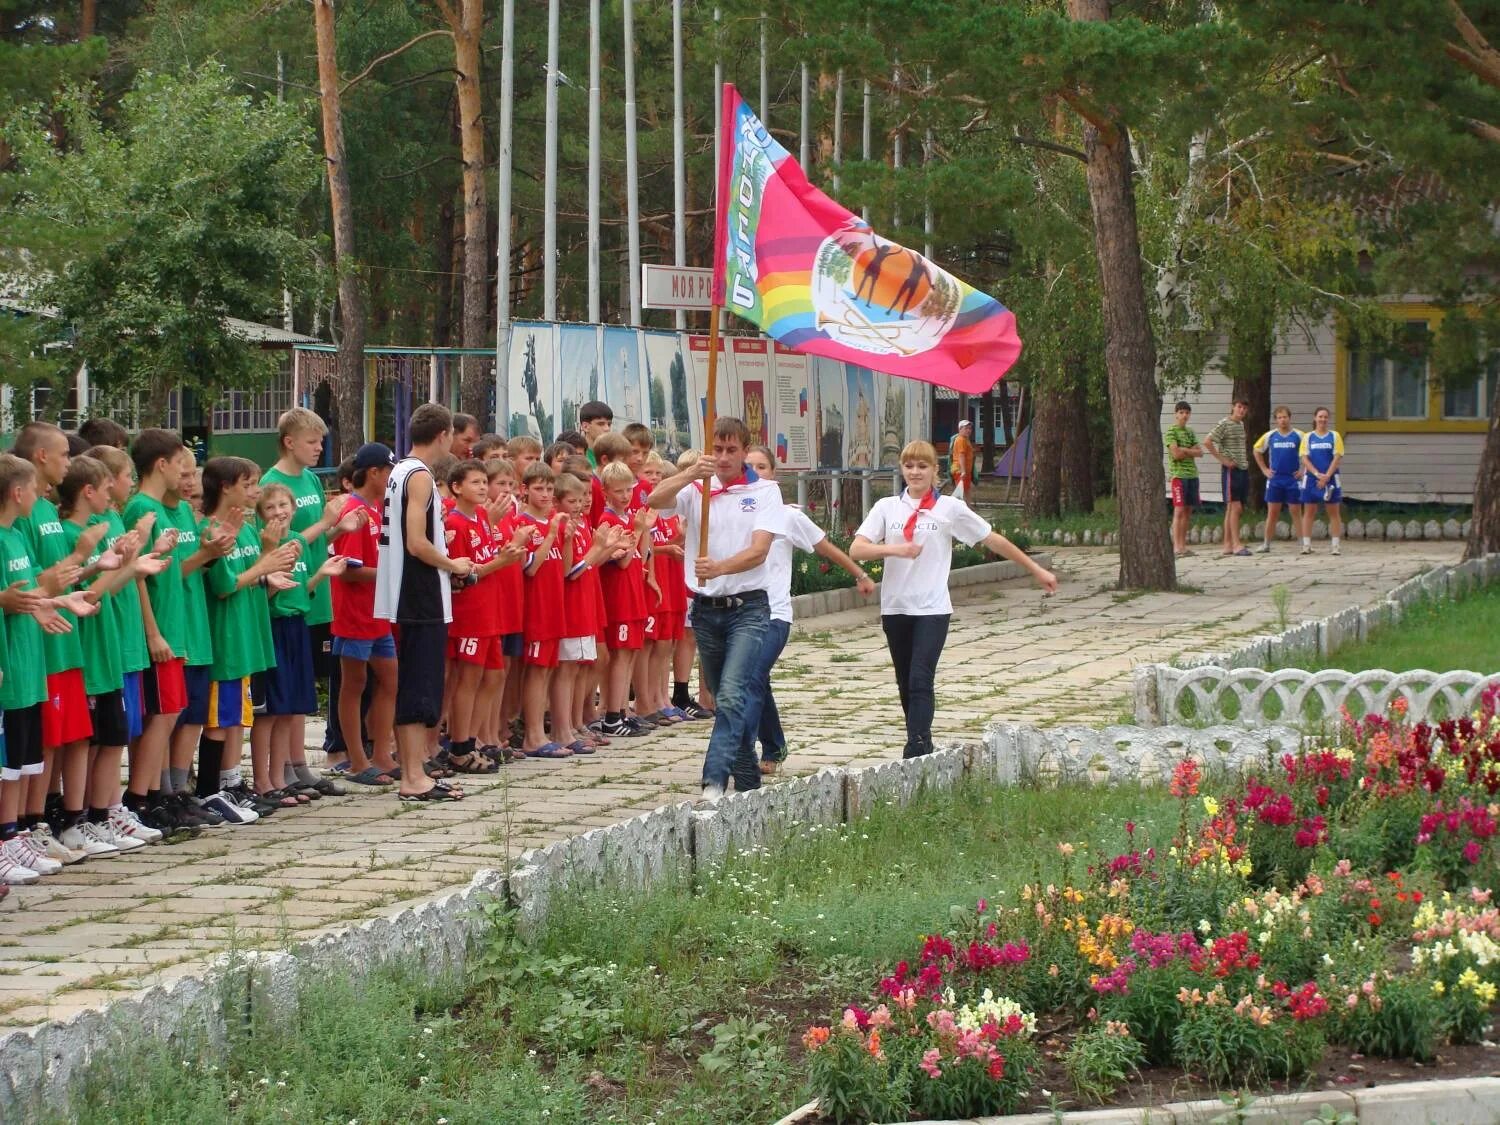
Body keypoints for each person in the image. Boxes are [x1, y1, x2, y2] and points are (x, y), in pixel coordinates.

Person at [852, 440, 1057, 759]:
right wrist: (894, 550)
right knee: (905, 682)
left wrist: (1034, 568)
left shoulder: (949, 508)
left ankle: (915, 750)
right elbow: (858, 549)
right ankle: (923, 740)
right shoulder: (886, 508)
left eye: (922, 466)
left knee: (921, 677)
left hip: (932, 608)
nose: (915, 472)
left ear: (935, 470)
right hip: (896, 607)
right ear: (902, 470)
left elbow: (992, 539)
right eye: (909, 466)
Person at [648, 417, 785, 801]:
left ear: (744, 450)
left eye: (731, 450)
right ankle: (750, 785)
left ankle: (713, 780)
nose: (723, 458)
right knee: (726, 698)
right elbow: (653, 501)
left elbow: (759, 551)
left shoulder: (765, 492)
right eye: (718, 449)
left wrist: (720, 567)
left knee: (729, 694)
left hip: (749, 608)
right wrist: (691, 471)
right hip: (706, 611)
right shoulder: (696, 488)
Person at [0, 454, 101, 883]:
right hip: (10, 666)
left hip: (29, 665)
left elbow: (26, 594)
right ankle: (5, 840)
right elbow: (8, 597)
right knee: (7, 763)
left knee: (24, 760)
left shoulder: (15, 539)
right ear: (18, 492)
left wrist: (54, 602)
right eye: (34, 488)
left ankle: (16, 833)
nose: (43, 493)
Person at [744, 445, 873, 775]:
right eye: (751, 466)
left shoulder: (788, 517)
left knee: (754, 676)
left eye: (763, 466)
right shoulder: (731, 510)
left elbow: (825, 548)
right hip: (739, 614)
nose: (756, 472)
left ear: (774, 474)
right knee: (755, 682)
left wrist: (859, 574)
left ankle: (741, 751)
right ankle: (774, 744)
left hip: (774, 614)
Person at [375, 403, 473, 800]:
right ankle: (412, 777)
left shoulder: (400, 470)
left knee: (417, 684)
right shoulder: (417, 476)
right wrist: (453, 563)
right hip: (417, 592)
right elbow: (416, 543)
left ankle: (414, 772)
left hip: (407, 590)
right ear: (444, 434)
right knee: (419, 686)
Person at [331, 444, 401, 785]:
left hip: (377, 613)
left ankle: (381, 752)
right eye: (389, 472)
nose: (391, 479)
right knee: (354, 684)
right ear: (373, 472)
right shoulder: (354, 510)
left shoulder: (374, 510)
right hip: (355, 613)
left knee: (390, 679)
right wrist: (390, 573)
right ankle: (356, 760)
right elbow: (346, 570)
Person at [1252, 406, 1304, 554]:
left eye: (1285, 417)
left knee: (1296, 511)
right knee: (1272, 512)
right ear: (1276, 420)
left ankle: (1303, 543)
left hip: (1293, 480)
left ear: (1289, 418)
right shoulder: (1270, 436)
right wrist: (1264, 469)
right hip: (1275, 480)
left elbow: (1309, 452)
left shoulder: (1299, 435)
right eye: (1279, 417)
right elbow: (1256, 450)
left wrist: (1303, 470)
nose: (1282, 420)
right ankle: (1266, 544)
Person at [1204, 399, 1252, 557]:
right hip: (1232, 470)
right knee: (1235, 507)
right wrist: (1223, 460)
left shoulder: (1241, 425)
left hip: (1243, 468)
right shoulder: (1224, 423)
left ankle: (1227, 545)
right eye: (1239, 407)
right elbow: (1208, 441)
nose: (1241, 410)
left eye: (1244, 408)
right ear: (1233, 407)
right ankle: (1237, 545)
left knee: (1232, 508)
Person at [1299, 407, 1345, 557]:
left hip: (1331, 477)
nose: (1323, 419)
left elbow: (1337, 457)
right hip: (1312, 478)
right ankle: (1306, 545)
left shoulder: (1334, 436)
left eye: (1325, 417)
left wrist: (1326, 476)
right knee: (1309, 511)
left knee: (1333, 512)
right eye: (1320, 416)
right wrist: (1317, 474)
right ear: (1315, 418)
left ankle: (1335, 545)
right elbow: (1304, 458)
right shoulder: (1308, 437)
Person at [1164, 401, 1203, 559]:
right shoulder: (1171, 432)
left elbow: (1200, 452)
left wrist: (1185, 449)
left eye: (1187, 412)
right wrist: (1189, 451)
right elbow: (1176, 455)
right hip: (1178, 476)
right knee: (1179, 510)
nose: (1184, 415)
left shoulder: (1190, 432)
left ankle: (1183, 546)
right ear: (1176, 414)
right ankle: (1176, 547)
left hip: (1192, 475)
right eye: (1181, 412)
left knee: (1188, 511)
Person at [949, 420, 975, 505]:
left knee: (967, 491)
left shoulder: (965, 439)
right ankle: (963, 512)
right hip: (960, 470)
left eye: (970, 428)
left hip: (965, 471)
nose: (968, 430)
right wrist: (963, 471)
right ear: (960, 429)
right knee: (961, 494)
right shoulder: (961, 440)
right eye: (966, 428)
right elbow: (961, 455)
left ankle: (968, 511)